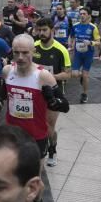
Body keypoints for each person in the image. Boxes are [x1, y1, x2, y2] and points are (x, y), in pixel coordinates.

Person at [2, 35, 67, 202]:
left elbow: (65, 106)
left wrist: (52, 101)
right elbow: (4, 93)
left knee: (34, 177)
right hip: (14, 134)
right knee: (15, 172)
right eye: (16, 53)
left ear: (33, 52)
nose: (20, 57)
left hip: (36, 135)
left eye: (25, 52)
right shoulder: (7, 71)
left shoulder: (43, 76)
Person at [31, 18, 71, 167]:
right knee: (35, 123)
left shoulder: (61, 50)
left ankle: (52, 150)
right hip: (35, 92)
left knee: (49, 126)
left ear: (52, 30)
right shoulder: (33, 47)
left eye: (44, 30)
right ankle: (38, 150)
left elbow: (68, 74)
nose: (41, 33)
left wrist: (49, 77)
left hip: (54, 93)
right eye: (39, 30)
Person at [70, 7, 101, 103]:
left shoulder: (93, 27)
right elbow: (72, 37)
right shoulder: (75, 26)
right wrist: (71, 46)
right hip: (78, 54)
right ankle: (82, 77)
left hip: (88, 54)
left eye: (84, 14)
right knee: (74, 74)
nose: (82, 15)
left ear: (88, 15)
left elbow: (98, 42)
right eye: (81, 13)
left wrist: (91, 43)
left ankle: (85, 94)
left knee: (86, 74)